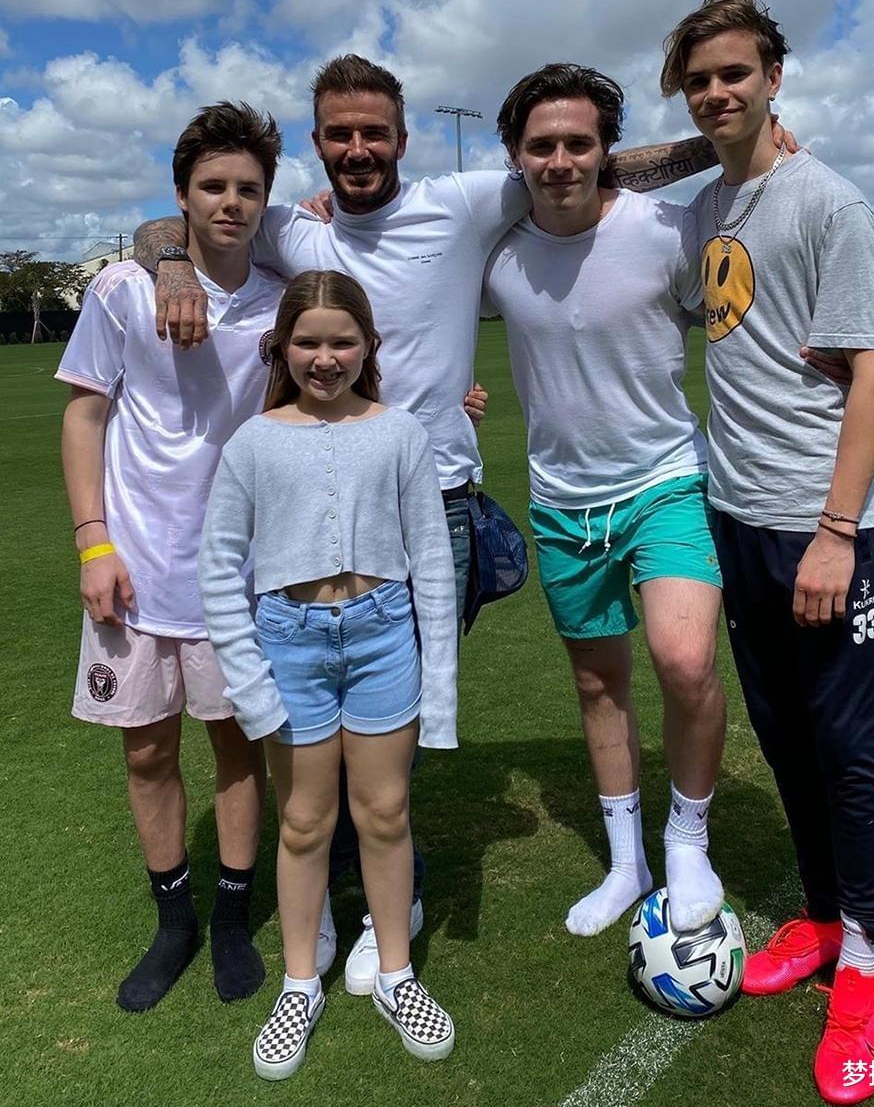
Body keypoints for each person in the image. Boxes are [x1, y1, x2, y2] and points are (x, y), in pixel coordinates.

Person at [132, 53, 719, 988]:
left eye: (374, 131)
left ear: (403, 138)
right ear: (318, 143)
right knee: (309, 715)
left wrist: (724, 141)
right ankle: (331, 894)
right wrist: (168, 262)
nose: (358, 148)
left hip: (434, 503)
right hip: (315, 504)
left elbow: (589, 163)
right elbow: (178, 220)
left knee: (390, 711)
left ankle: (389, 902)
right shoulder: (291, 227)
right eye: (339, 134)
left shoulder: (462, 203)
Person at [662, 0, 874, 1105]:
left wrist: (836, 534)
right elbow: (600, 179)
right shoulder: (708, 206)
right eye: (700, 79)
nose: (719, 92)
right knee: (784, 735)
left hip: (824, 527)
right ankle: (819, 912)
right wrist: (701, 145)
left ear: (774, 76)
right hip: (738, 516)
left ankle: (865, 958)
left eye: (736, 74)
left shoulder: (828, 201)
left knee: (843, 742)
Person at [484, 64, 726, 937]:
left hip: (666, 480)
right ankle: (627, 862)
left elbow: (734, 326)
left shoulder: (666, 230)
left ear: (606, 150)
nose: (561, 161)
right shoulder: (495, 251)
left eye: (578, 143)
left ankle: (687, 840)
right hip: (562, 502)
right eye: (542, 145)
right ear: (516, 154)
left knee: (685, 661)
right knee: (598, 681)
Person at [198, 270, 458, 1078]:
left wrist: (440, 689)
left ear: (368, 345)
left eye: (342, 341)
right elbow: (219, 568)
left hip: (383, 637)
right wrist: (250, 683)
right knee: (305, 821)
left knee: (385, 812)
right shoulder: (253, 440)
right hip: (291, 643)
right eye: (307, 341)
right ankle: (300, 982)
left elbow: (433, 562)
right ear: (281, 347)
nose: (325, 357)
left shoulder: (399, 432)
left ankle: (396, 973)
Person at [56, 102, 285, 1010]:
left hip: (237, 573)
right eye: (212, 186)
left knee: (236, 743)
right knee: (149, 751)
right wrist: (93, 543)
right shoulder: (123, 288)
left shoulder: (279, 296)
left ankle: (230, 915)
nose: (231, 203)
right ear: (181, 195)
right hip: (133, 566)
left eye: (247, 189)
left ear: (265, 200)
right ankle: (174, 919)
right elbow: (85, 415)